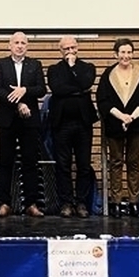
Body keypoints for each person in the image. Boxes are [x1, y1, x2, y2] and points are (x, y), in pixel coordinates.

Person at [0, 31, 47, 217]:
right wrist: (19, 103)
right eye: (16, 42)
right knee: (5, 162)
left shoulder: (35, 64)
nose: (20, 45)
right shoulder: (1, 64)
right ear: (10, 45)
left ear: (27, 46)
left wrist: (25, 90)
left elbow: (41, 90)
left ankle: (31, 204)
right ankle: (4, 203)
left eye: (23, 42)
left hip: (30, 120)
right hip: (7, 120)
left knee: (30, 162)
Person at [96, 37, 139, 216]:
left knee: (133, 163)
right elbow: (102, 100)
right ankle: (116, 202)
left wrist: (131, 117)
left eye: (129, 52)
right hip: (114, 124)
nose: (126, 56)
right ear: (116, 54)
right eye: (122, 52)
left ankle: (134, 202)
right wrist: (121, 116)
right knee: (116, 162)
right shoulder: (108, 75)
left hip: (136, 124)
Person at [46, 36, 96, 218]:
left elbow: (86, 83)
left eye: (73, 47)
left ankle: (81, 202)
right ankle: (66, 202)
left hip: (83, 123)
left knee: (83, 165)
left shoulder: (87, 67)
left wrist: (73, 70)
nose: (70, 51)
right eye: (66, 48)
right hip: (61, 123)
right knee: (63, 165)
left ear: (78, 48)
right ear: (60, 51)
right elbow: (57, 89)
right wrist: (78, 89)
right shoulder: (54, 69)